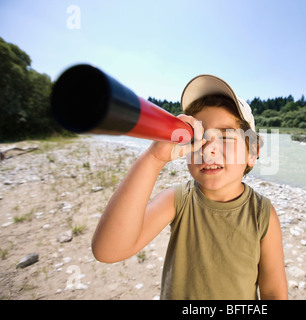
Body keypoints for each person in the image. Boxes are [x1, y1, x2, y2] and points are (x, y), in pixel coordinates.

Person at [91, 75, 288, 300]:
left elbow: (273, 292)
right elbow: (108, 250)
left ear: (252, 153)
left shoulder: (262, 214)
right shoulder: (178, 201)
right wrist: (155, 157)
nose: (208, 150)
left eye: (225, 136)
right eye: (198, 138)